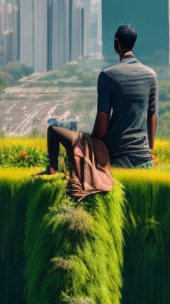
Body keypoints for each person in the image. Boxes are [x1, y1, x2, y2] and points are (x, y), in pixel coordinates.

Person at [40, 25, 158, 184]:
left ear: (116, 42)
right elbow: (152, 115)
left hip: (115, 157)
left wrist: (90, 144)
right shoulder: (151, 75)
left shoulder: (108, 75)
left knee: (53, 130)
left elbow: (101, 128)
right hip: (144, 159)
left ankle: (52, 170)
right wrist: (149, 151)